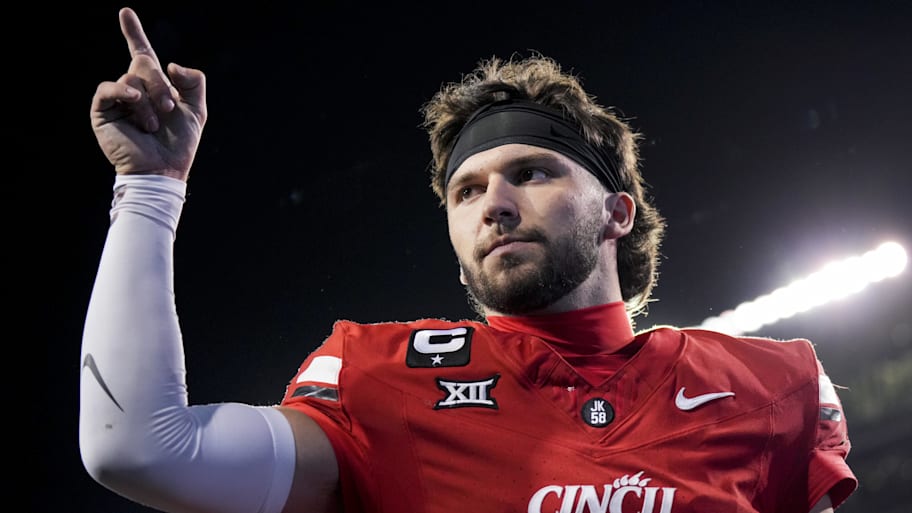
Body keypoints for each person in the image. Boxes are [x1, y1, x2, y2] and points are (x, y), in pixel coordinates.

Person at [80, 7, 857, 513]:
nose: (493, 203)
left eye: (533, 172)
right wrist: (149, 190)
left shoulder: (769, 383)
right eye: (466, 191)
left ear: (619, 211)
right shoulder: (382, 378)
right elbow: (140, 448)